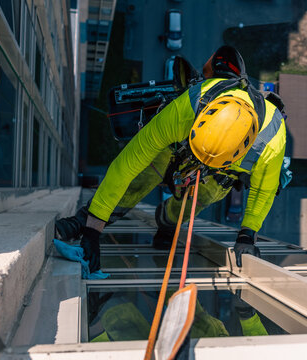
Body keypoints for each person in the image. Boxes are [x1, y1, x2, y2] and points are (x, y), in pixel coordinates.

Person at [55, 46, 287, 274]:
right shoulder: (188, 107)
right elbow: (128, 164)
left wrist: (247, 235)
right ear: (201, 118)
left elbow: (262, 191)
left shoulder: (272, 138)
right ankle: (82, 220)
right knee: (141, 175)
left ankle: (167, 222)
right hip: (177, 149)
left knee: (203, 196)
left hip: (221, 176)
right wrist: (92, 228)